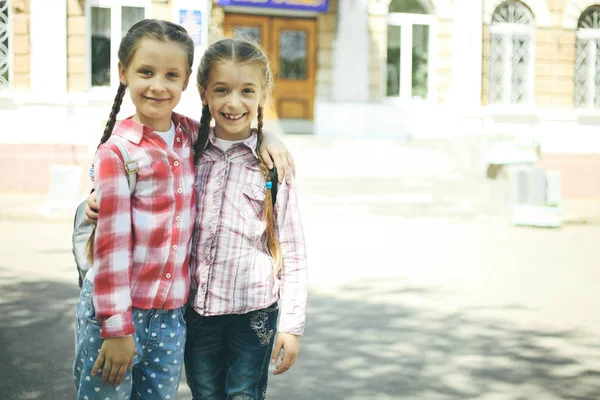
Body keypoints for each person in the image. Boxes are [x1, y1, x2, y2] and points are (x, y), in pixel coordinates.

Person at [74, 20, 293, 400]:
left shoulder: (190, 135)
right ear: (123, 72)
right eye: (146, 72)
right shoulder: (118, 151)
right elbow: (110, 251)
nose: (158, 85)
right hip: (117, 314)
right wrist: (116, 327)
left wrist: (267, 137)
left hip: (172, 316)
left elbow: (234, 129)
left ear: (187, 80)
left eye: (170, 75)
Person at [184, 37, 307, 400]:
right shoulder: (188, 150)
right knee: (204, 394)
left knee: (244, 395)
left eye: (246, 90)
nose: (233, 102)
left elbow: (294, 251)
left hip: (254, 315)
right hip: (197, 313)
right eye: (221, 89)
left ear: (263, 94)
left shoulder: (272, 164)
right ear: (203, 91)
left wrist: (292, 325)